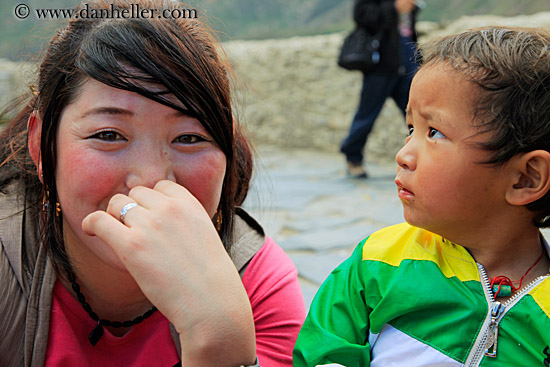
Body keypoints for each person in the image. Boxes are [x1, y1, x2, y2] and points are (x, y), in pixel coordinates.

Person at [0, 0, 306, 366]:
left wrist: (219, 337)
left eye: (189, 138)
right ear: (41, 146)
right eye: (109, 134)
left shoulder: (258, 283)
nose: (150, 179)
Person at [294, 26, 550, 366]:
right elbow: (323, 350)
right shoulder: (377, 264)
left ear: (525, 177)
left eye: (436, 133)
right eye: (410, 129)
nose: (403, 155)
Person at [341, 0, 420, 178]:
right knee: (366, 115)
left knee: (417, 116)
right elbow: (362, 17)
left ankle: (421, 159)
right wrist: (394, 8)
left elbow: (408, 29)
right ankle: (353, 158)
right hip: (381, 67)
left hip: (407, 62)